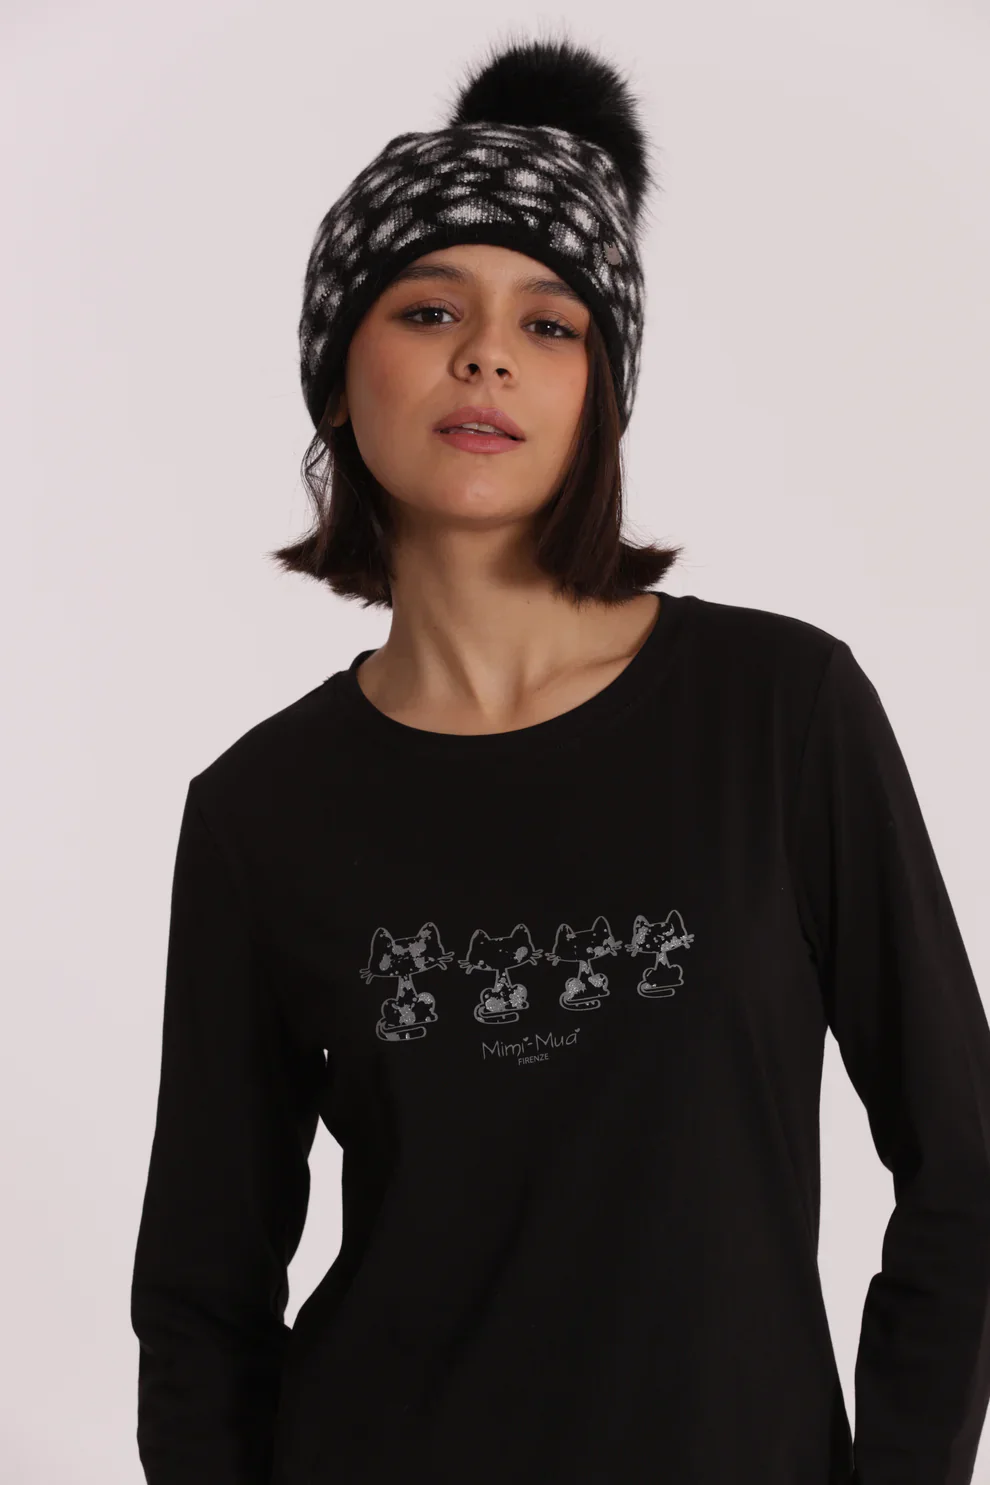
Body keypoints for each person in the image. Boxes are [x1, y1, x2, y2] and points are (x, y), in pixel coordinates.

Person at [129, 31, 990, 1485]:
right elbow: (203, 1300)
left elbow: (964, 1166)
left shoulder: (780, 713)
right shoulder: (260, 811)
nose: (485, 354)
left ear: (602, 391)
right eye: (427, 309)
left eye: (550, 324)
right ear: (337, 373)